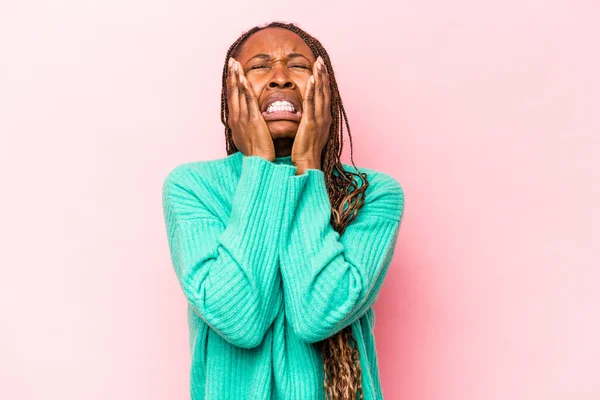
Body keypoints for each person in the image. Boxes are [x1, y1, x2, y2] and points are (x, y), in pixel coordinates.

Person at [162, 21, 405, 400]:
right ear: (232, 93)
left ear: (326, 89)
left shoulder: (371, 194)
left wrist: (307, 164)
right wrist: (259, 165)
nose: (280, 78)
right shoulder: (193, 187)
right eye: (260, 66)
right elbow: (237, 318)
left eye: (298, 65)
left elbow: (318, 314)